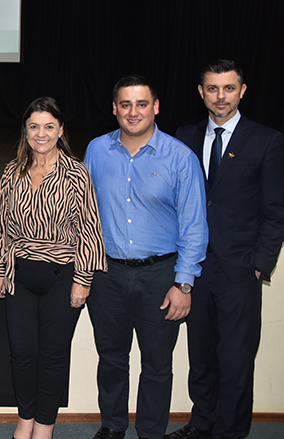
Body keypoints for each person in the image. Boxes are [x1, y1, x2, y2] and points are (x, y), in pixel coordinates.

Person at [84, 75, 208, 439]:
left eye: (141, 104)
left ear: (156, 107)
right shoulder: (96, 150)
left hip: (160, 275)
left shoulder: (181, 157)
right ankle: (113, 426)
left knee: (157, 364)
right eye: (125, 104)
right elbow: (84, 213)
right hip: (106, 274)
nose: (133, 112)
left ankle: (151, 431)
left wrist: (184, 283)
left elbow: (194, 225)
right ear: (114, 109)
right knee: (111, 358)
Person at [167, 60, 284, 439]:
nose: (221, 97)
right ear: (201, 92)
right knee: (200, 358)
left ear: (242, 91)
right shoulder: (183, 136)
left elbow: (275, 210)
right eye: (213, 89)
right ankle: (203, 425)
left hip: (239, 270)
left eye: (228, 89)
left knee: (235, 361)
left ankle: (230, 432)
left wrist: (258, 265)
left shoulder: (267, 140)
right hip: (195, 266)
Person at [0, 97, 107, 439]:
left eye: (49, 126)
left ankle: (44, 427)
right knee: (22, 354)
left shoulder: (77, 173)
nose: (41, 134)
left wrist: (83, 280)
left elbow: (89, 228)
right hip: (19, 276)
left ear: (61, 130)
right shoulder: (12, 171)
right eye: (34, 126)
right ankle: (25, 420)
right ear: (25, 131)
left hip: (63, 276)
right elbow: (4, 227)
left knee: (53, 356)